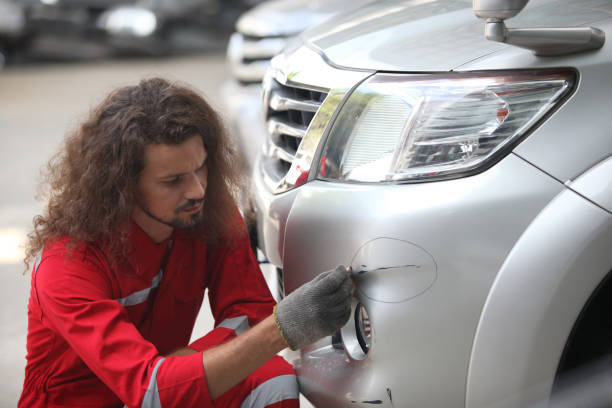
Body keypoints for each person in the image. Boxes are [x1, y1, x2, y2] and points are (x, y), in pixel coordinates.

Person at [19, 77, 353, 408]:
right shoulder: (66, 265)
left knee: (270, 377)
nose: (197, 191)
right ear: (123, 187)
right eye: (173, 181)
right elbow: (150, 392)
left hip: (164, 389)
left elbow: (250, 314)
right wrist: (283, 328)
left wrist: (184, 364)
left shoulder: (208, 216)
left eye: (201, 168)